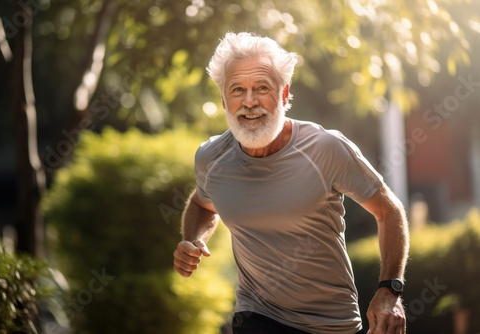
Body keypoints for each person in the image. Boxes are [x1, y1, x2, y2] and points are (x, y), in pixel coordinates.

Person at [173, 32, 409, 334]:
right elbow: (201, 203)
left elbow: (389, 210)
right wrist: (194, 239)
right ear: (223, 100)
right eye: (237, 90)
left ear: (284, 94)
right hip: (256, 315)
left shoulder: (326, 148)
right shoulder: (212, 158)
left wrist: (390, 290)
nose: (249, 101)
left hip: (332, 324)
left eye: (261, 88)